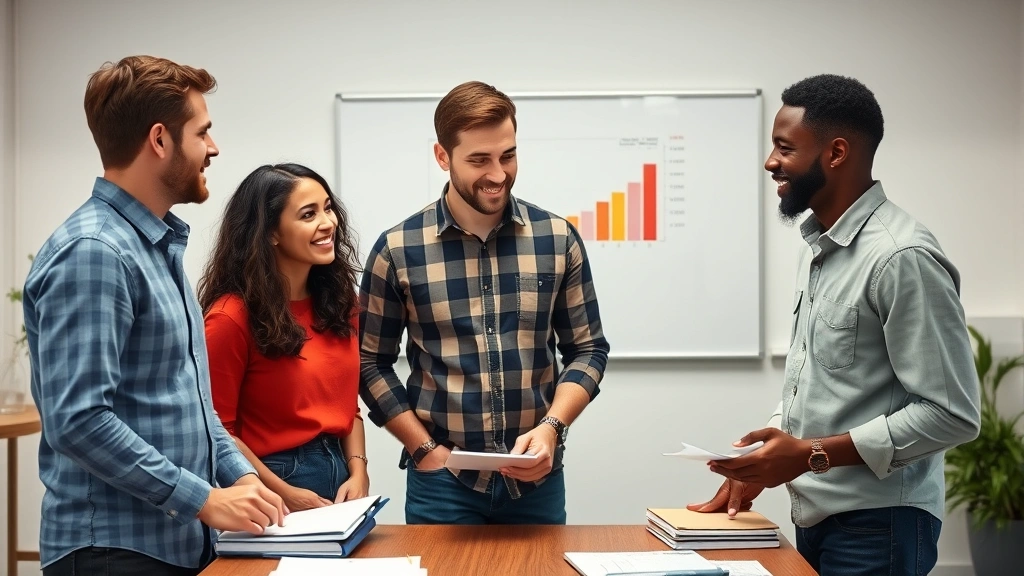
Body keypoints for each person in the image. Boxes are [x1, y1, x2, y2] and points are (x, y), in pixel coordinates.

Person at [688, 74, 981, 576]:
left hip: (881, 526)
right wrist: (769, 454)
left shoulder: (901, 257)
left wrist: (808, 455)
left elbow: (952, 413)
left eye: (784, 147)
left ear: (837, 152)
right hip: (820, 518)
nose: (770, 161)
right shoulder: (822, 249)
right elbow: (827, 380)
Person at [22, 55, 286, 576]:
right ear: (160, 140)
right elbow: (79, 421)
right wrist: (201, 498)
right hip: (112, 552)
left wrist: (237, 477)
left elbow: (189, 401)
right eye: (202, 133)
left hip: (172, 544)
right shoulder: (95, 251)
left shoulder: (156, 246)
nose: (214, 148)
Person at [359, 81, 610, 525]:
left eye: (507, 156)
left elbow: (588, 350)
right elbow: (369, 363)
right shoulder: (397, 250)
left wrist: (552, 428)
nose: (498, 174)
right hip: (443, 484)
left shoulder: (556, 238)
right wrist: (424, 450)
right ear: (443, 157)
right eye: (479, 160)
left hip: (536, 480)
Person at [198, 163, 369, 512]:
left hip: (340, 470)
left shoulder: (341, 302)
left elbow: (347, 406)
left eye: (327, 208)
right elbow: (217, 431)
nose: (328, 222)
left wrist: (358, 470)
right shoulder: (230, 317)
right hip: (268, 481)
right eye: (308, 215)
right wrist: (282, 492)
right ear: (271, 232)